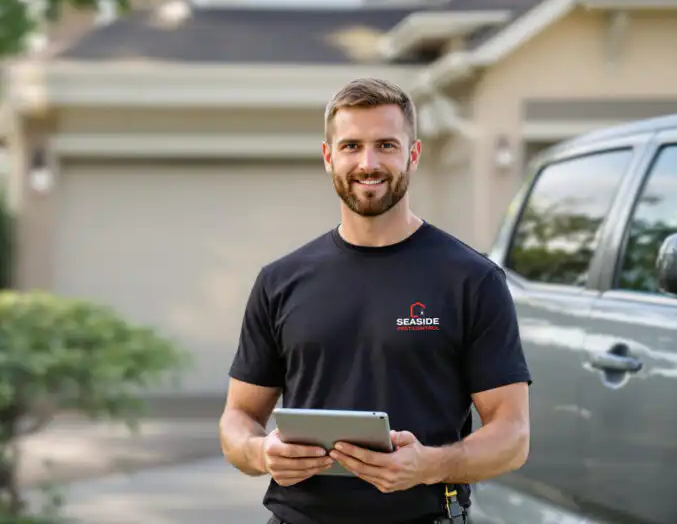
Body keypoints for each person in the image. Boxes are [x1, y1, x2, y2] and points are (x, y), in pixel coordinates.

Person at [218, 77, 531, 524]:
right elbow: (238, 418)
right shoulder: (280, 281)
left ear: (413, 154)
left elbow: (513, 436)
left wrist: (431, 465)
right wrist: (261, 452)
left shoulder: (471, 279)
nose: (368, 163)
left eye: (386, 145)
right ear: (329, 157)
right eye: (351, 146)